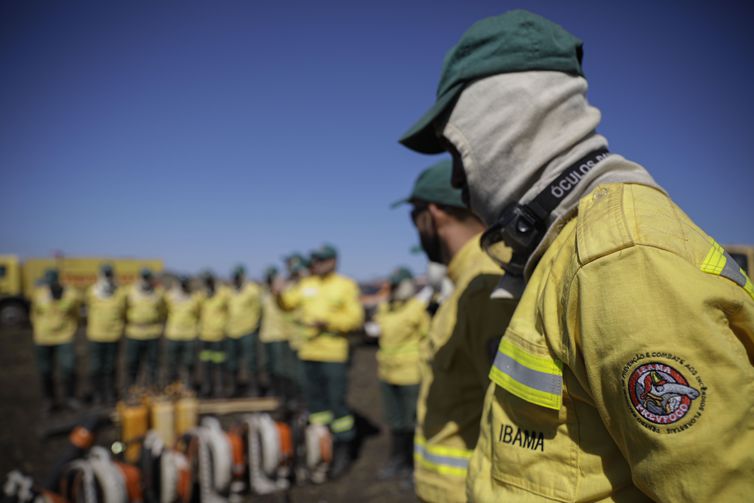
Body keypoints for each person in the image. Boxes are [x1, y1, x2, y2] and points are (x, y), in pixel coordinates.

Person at [398, 10, 754, 501]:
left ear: (498, 125)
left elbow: (721, 488)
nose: (458, 181)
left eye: (458, 153)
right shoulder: (568, 246)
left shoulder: (620, 258)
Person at [392, 160, 516, 502]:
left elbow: (515, 418)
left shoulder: (481, 287)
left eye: (414, 218)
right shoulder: (476, 278)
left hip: (462, 492)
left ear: (432, 214)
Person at [280, 244, 364, 478]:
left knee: (337, 406)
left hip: (333, 355)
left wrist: (326, 322)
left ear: (333, 262)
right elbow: (288, 304)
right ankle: (320, 448)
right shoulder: (307, 284)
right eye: (313, 260)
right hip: (309, 354)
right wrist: (278, 293)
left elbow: (355, 319)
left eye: (320, 260)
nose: (315, 264)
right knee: (316, 406)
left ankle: (343, 450)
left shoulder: (345, 285)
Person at [369, 266, 429, 480]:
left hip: (410, 375)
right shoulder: (386, 308)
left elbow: (428, 339)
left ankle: (413, 467)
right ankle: (397, 459)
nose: (391, 289)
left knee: (412, 422)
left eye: (395, 285)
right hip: (387, 373)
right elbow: (378, 329)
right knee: (394, 421)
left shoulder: (417, 309)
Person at [31, 268, 81, 413]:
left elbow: (76, 314)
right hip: (43, 339)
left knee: (68, 368)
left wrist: (71, 329)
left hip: (65, 337)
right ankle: (49, 400)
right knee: (46, 371)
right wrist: (40, 329)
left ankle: (70, 398)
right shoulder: (39, 294)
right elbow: (34, 314)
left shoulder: (71, 295)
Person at [85, 263, 126, 404]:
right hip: (96, 336)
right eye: (105, 274)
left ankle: (110, 393)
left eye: (110, 274)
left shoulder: (120, 292)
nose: (107, 277)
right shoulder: (92, 291)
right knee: (96, 367)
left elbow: (123, 311)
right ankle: (97, 393)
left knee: (110, 366)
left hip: (113, 336)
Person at [124, 268, 166, 389]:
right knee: (133, 363)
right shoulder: (129, 292)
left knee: (153, 363)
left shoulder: (158, 293)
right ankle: (132, 388)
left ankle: (152, 388)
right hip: (134, 334)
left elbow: (163, 311)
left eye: (148, 277)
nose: (146, 280)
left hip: (153, 334)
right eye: (143, 277)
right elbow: (123, 310)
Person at [226, 265, 263, 397]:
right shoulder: (229, 292)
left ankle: (254, 388)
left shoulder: (253, 290)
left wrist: (255, 326)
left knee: (251, 361)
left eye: (238, 276)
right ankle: (235, 388)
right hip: (231, 331)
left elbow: (259, 309)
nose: (235, 279)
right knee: (232, 363)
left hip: (248, 330)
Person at [259, 266, 292, 399]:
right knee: (270, 366)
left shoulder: (284, 292)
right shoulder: (263, 294)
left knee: (281, 368)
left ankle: (283, 392)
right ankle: (273, 389)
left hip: (280, 335)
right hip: (267, 335)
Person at [164, 275, 202, 389]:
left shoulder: (195, 298)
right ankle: (172, 386)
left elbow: (199, 313)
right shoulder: (169, 297)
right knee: (172, 363)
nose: (184, 286)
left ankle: (188, 386)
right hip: (173, 335)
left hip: (189, 335)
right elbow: (164, 311)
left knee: (189, 363)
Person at [198, 271, 229, 398]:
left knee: (219, 365)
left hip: (219, 336)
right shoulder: (201, 296)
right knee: (206, 365)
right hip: (205, 336)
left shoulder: (223, 295)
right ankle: (207, 388)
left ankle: (220, 388)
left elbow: (229, 310)